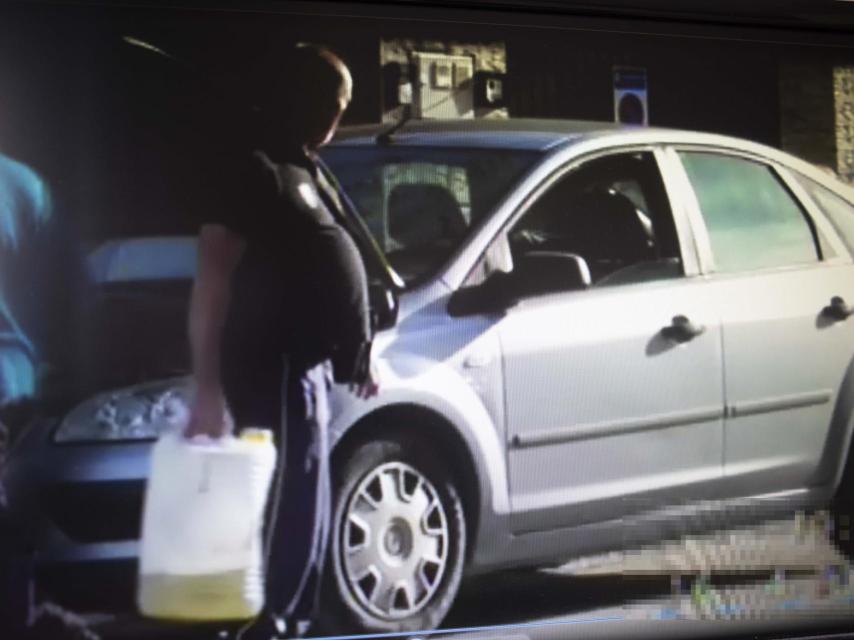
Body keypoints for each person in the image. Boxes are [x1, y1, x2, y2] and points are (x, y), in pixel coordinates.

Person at [185, 44, 378, 640]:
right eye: (329, 104)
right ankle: (255, 627)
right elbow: (213, 277)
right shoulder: (254, 169)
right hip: (270, 368)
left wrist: (357, 349)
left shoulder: (308, 169)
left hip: (310, 371)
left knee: (307, 508)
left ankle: (290, 623)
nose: (334, 120)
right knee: (280, 509)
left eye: (341, 107)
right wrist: (208, 384)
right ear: (299, 97)